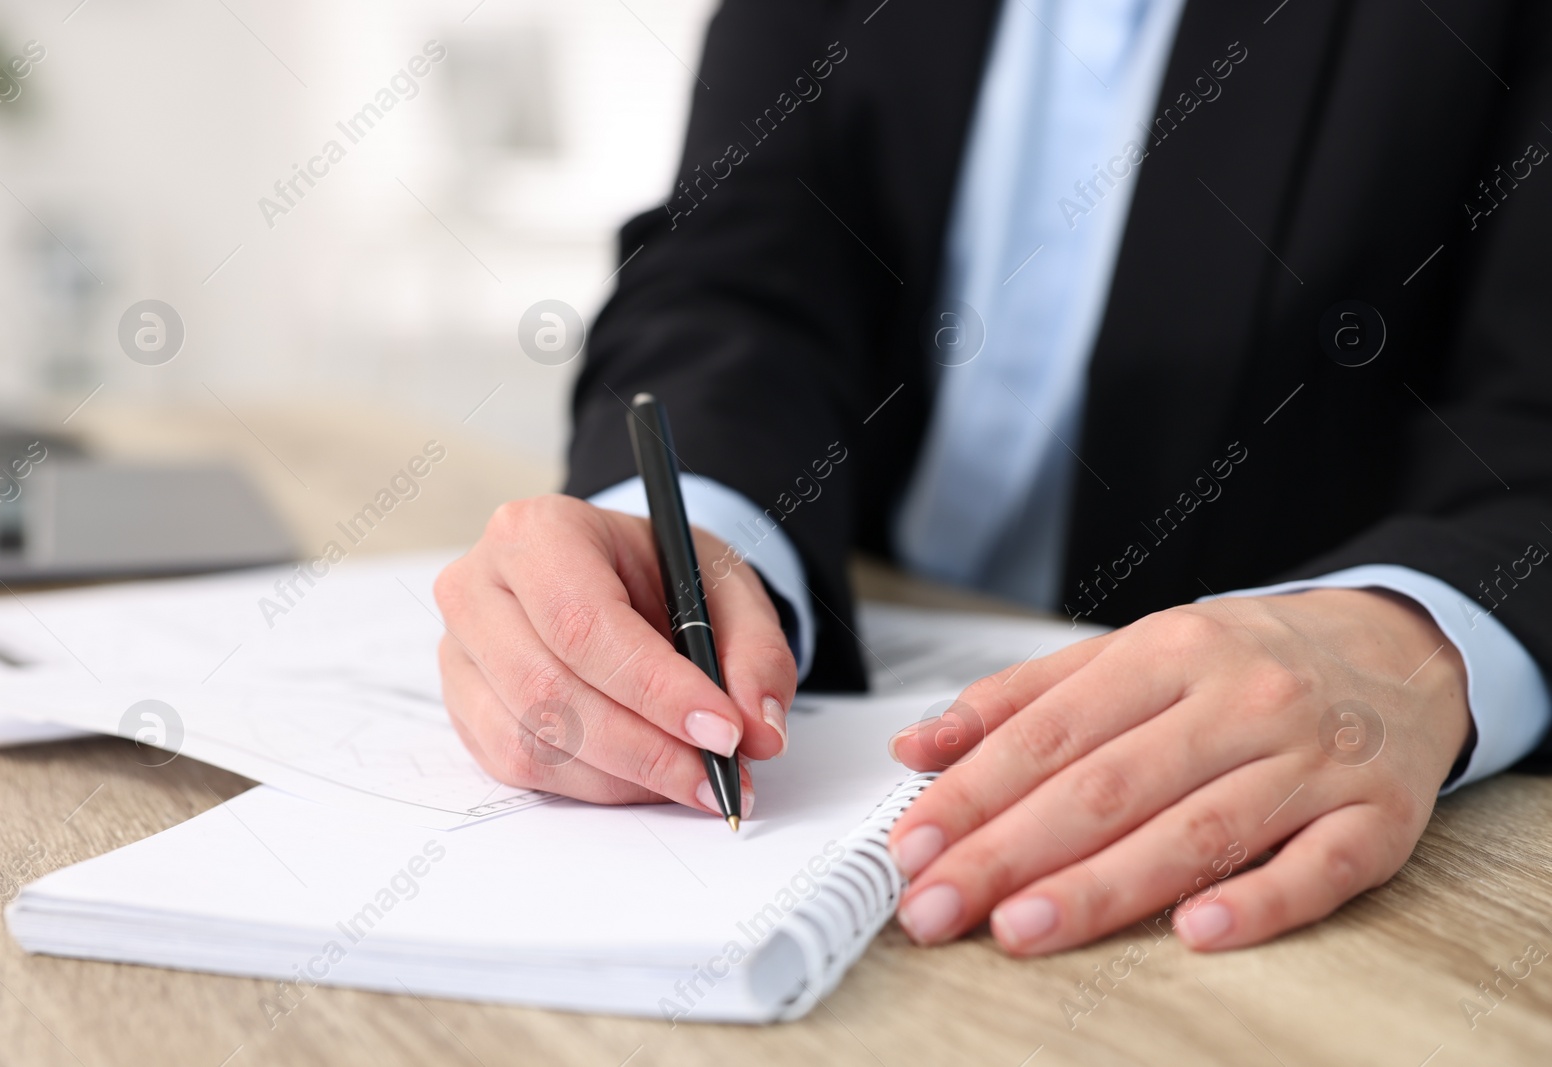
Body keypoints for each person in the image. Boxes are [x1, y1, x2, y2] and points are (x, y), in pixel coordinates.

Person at [435, 0, 1552, 956]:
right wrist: (687, 529)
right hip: (873, 665)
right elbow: (737, 259)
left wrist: (1421, 632)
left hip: (1271, 826)